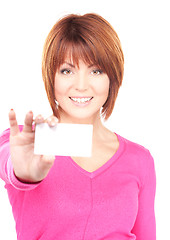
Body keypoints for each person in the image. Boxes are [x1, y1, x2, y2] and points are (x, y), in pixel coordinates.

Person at [0, 13, 156, 240]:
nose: (81, 85)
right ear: (50, 77)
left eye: (96, 71)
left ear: (113, 77)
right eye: (67, 71)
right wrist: (24, 173)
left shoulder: (139, 159)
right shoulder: (25, 142)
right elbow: (10, 161)